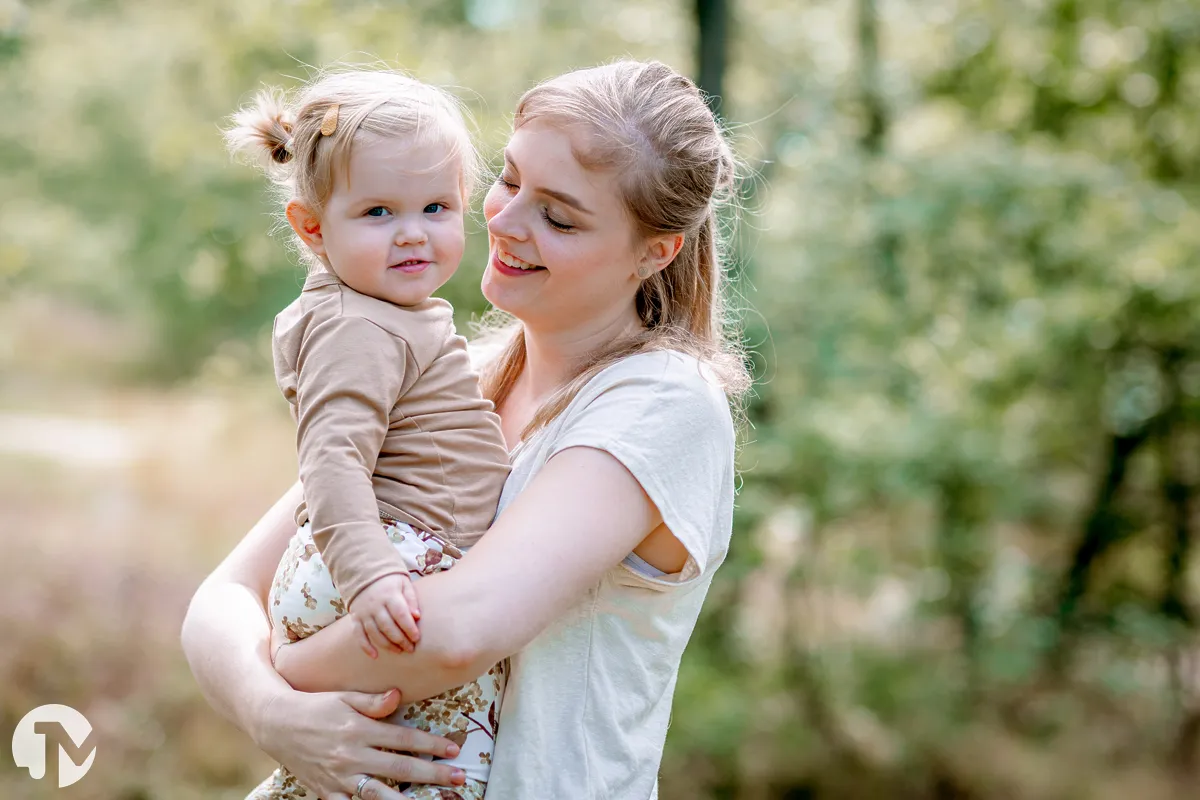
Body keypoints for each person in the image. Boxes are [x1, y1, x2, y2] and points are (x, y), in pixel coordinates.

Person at [182, 59, 751, 800]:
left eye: (559, 216)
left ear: (655, 250)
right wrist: (273, 716)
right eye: (509, 180)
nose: (506, 222)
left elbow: (454, 633)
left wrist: (276, 673)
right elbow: (224, 596)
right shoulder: (456, 372)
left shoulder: (661, 404)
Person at [224, 68, 512, 800]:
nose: (414, 232)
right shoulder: (358, 326)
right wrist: (373, 574)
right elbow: (331, 461)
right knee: (436, 761)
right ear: (313, 228)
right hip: (388, 556)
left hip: (383, 553)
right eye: (379, 212)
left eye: (436, 206)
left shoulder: (374, 311)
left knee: (368, 754)